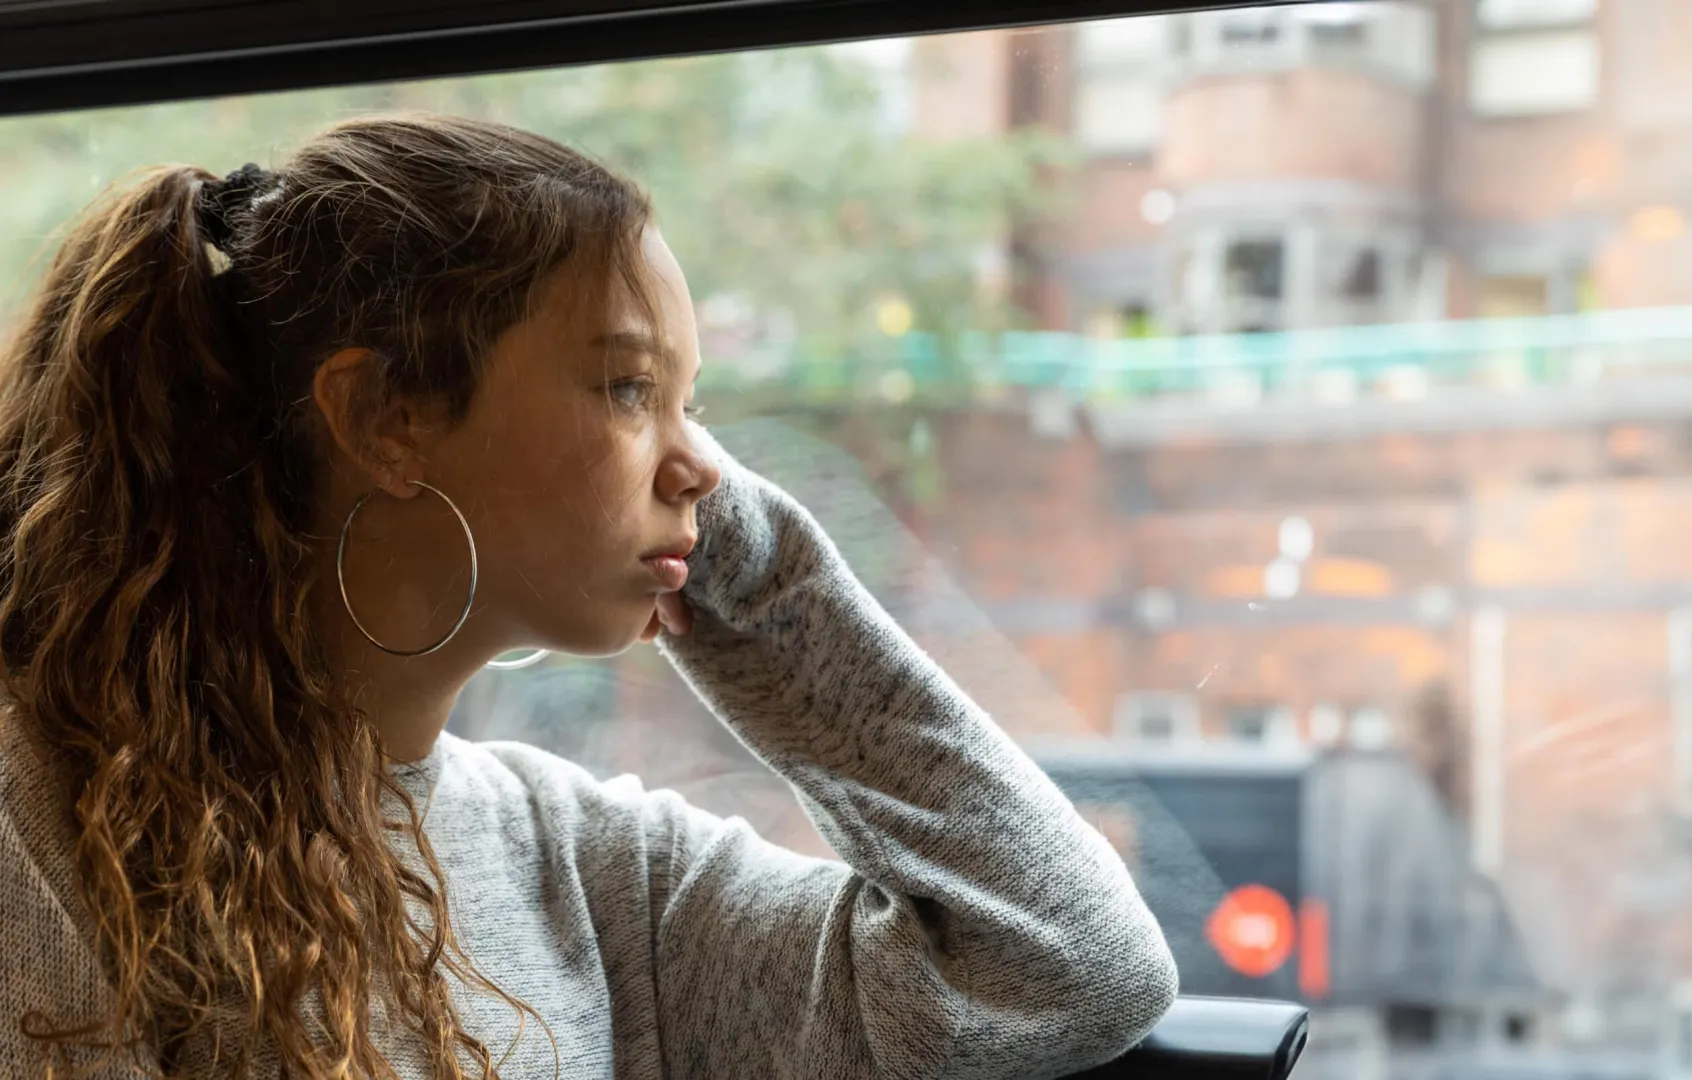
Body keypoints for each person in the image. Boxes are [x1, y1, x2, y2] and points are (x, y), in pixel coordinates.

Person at [0, 114, 1177, 1079]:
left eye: (692, 404)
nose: (704, 465)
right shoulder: (37, 823)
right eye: (626, 387)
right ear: (384, 418)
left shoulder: (579, 861)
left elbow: (1069, 965)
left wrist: (746, 568)